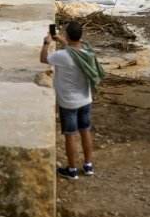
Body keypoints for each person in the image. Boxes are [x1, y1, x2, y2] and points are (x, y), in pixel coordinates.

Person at [40, 21, 104, 180]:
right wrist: (61, 40)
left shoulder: (62, 56)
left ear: (68, 35)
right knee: (85, 131)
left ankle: (72, 169)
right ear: (81, 36)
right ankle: (88, 165)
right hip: (85, 99)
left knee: (70, 135)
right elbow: (72, 47)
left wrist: (46, 43)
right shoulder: (87, 51)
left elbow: (43, 58)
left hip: (68, 102)